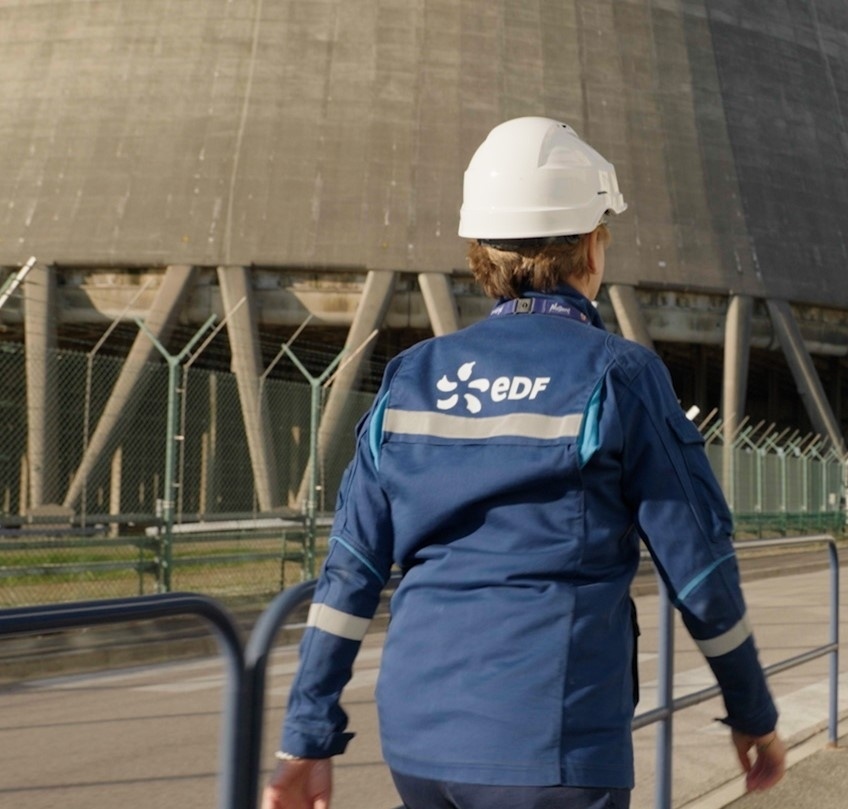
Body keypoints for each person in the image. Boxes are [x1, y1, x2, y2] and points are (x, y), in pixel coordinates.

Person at [263, 117, 785, 809]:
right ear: (592, 249)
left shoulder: (412, 378)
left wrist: (306, 736)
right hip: (553, 745)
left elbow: (350, 571)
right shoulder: (619, 375)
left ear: (480, 251)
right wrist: (752, 712)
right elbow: (701, 569)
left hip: (421, 746)